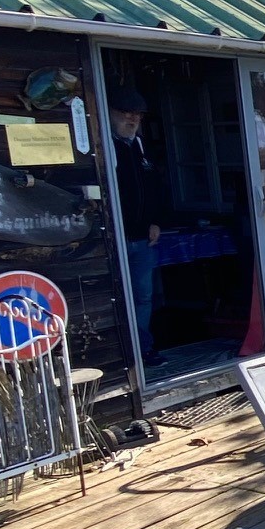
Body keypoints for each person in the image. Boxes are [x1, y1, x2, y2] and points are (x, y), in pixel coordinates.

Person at [108, 86, 166, 368]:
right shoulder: (103, 148)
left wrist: (156, 221)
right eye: (126, 113)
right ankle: (125, 355)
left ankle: (143, 348)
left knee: (144, 296)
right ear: (110, 114)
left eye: (137, 115)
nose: (132, 120)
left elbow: (156, 188)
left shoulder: (142, 148)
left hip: (143, 238)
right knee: (118, 296)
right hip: (116, 238)